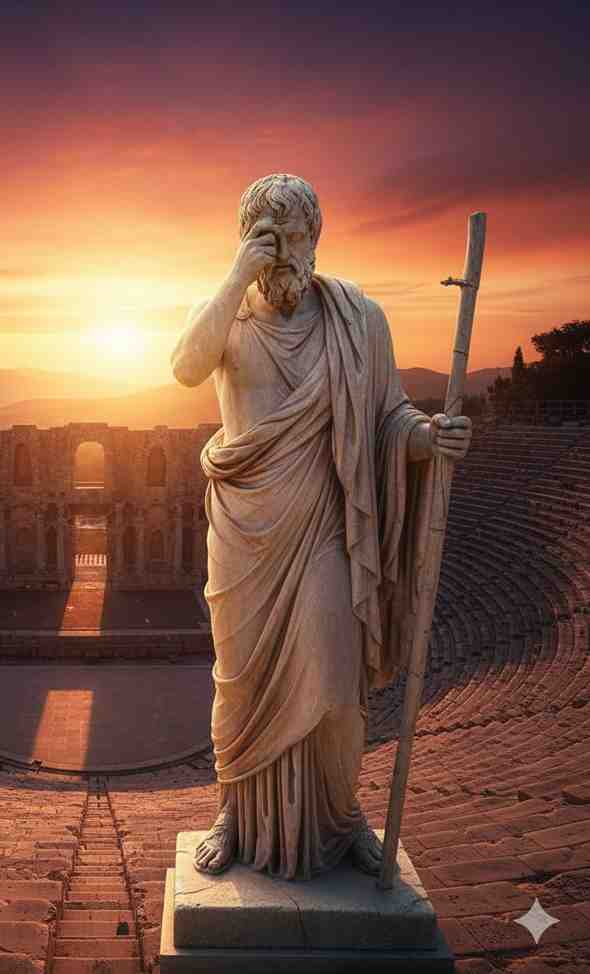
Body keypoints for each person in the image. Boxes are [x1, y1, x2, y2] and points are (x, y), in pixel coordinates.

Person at [171, 173, 471, 879]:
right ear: (244, 240)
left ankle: (340, 818)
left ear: (316, 238)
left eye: (292, 236)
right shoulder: (225, 314)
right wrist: (238, 271)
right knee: (238, 684)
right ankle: (236, 818)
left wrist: (427, 439)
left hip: (327, 526)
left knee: (335, 683)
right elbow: (185, 367)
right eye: (263, 239)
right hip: (246, 533)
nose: (281, 254)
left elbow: (390, 414)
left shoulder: (357, 318)